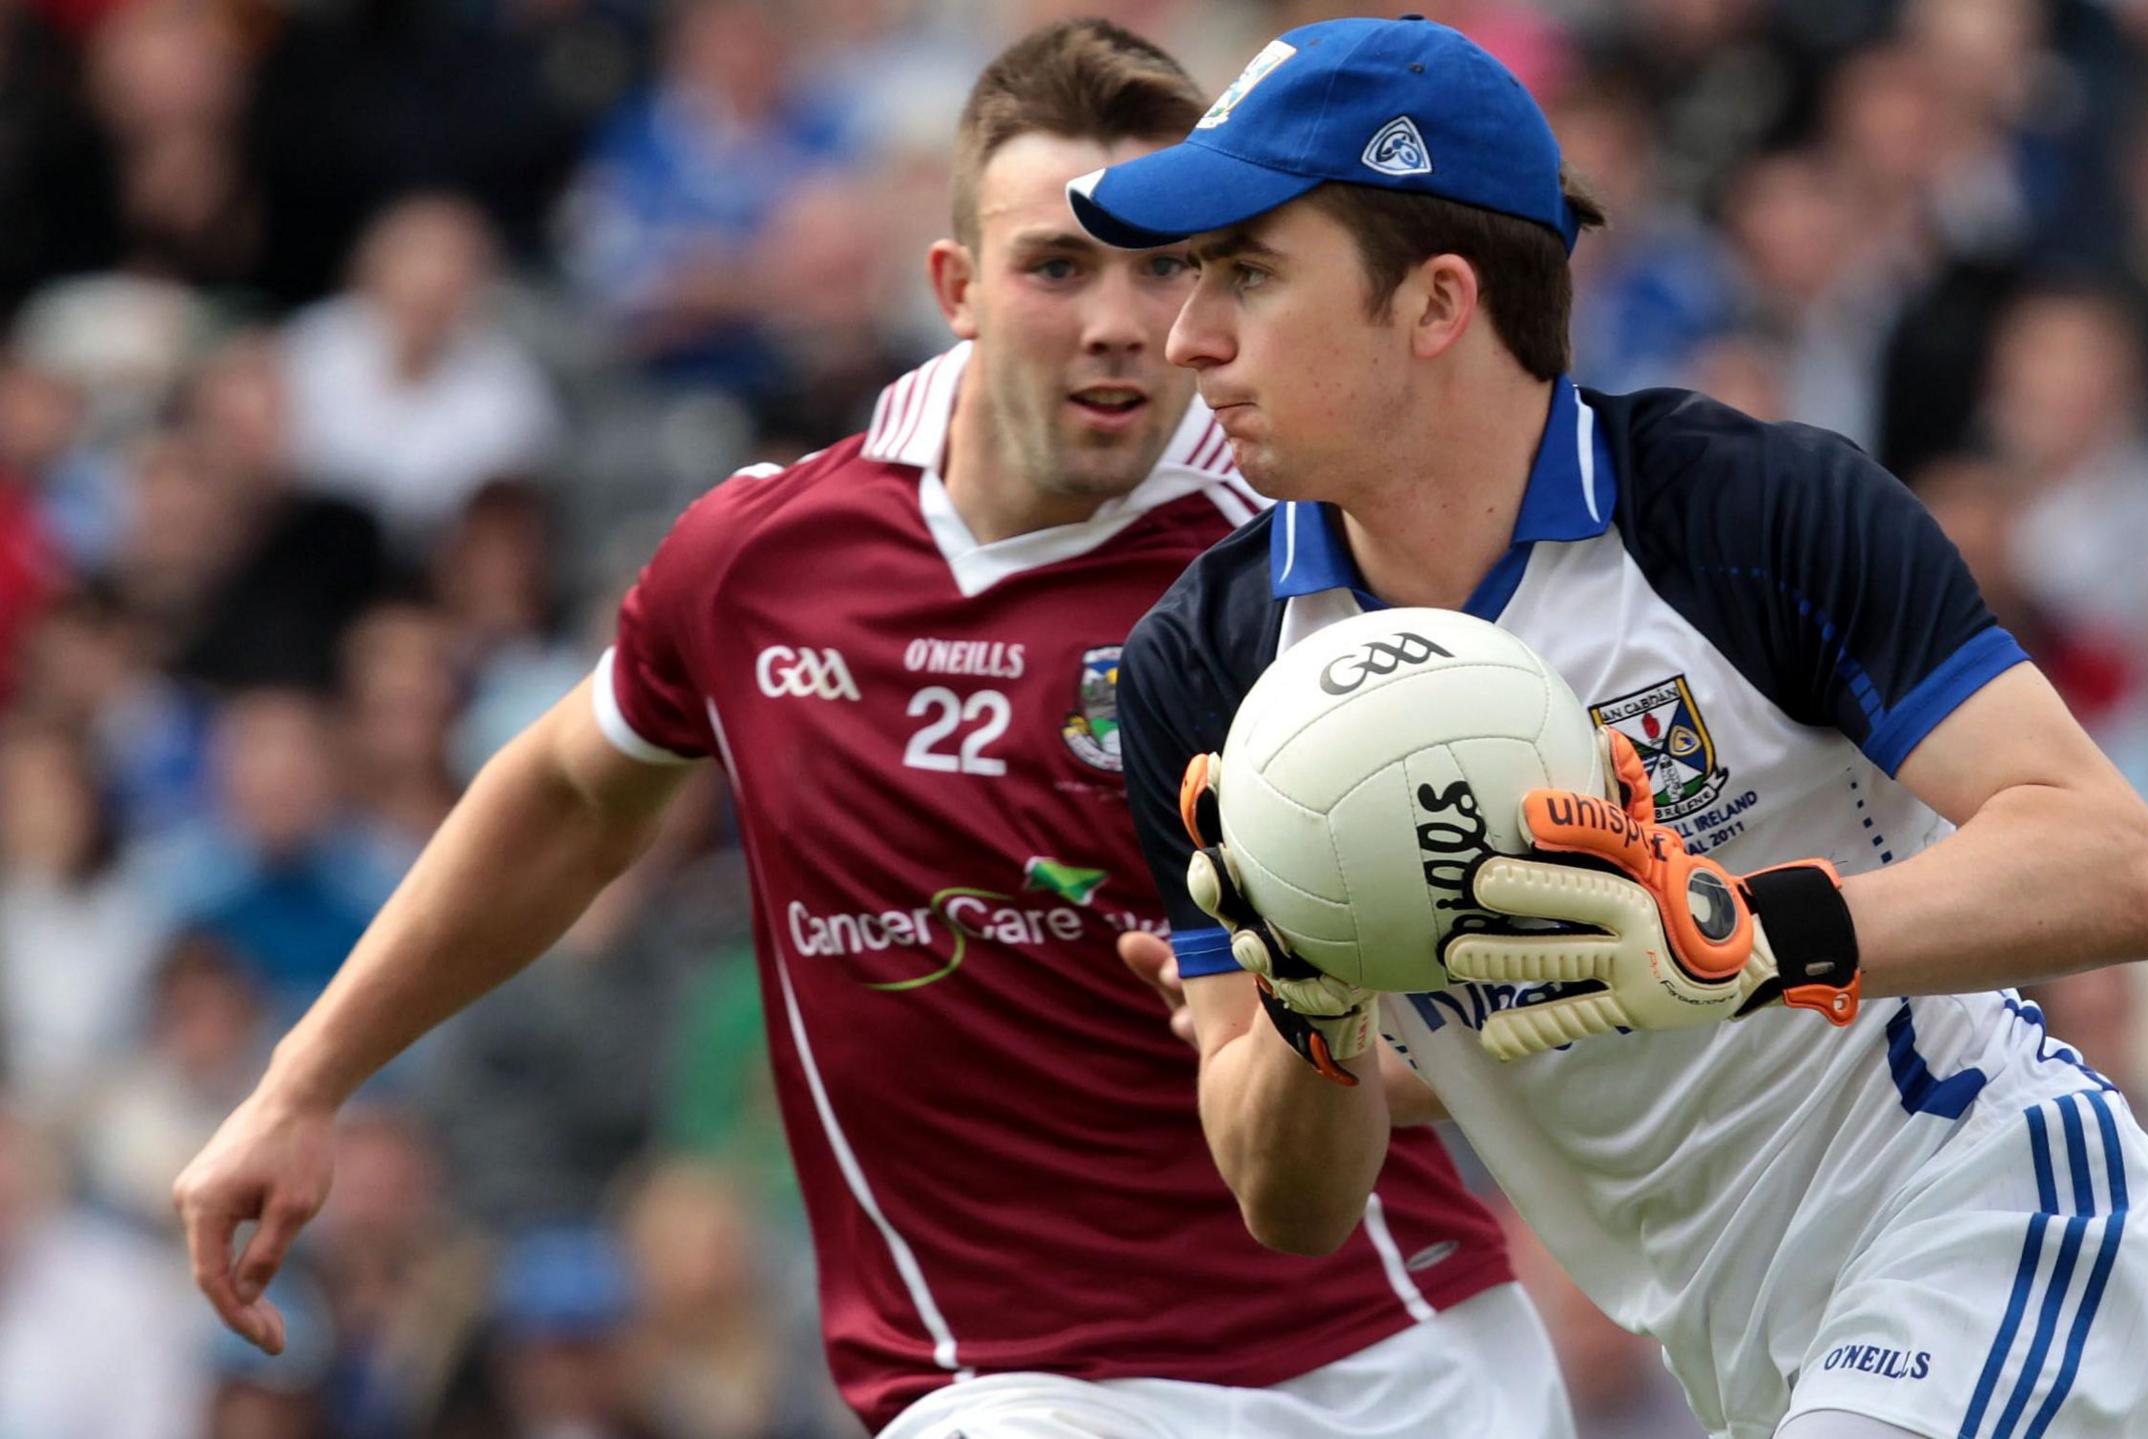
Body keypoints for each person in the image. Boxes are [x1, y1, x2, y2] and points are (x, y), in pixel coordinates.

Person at [172, 21, 1571, 1439]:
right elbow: (569, 799)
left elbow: (1526, 951)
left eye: (1164, 269)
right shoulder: (763, 562)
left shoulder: (1304, 569)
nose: (1116, 322)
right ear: (954, 286)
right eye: (1057, 267)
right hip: (1008, 1389)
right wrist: (305, 1083)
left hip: (1391, 1364)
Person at [1072, 16, 2148, 1439]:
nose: (1186, 334)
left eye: (1248, 274)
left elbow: (2118, 868)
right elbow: (1291, 1199)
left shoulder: (1742, 516)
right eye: (1194, 275)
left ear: (1439, 303)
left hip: (2006, 1237)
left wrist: (1745, 937)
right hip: (1757, 1364)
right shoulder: (1204, 679)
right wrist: (1313, 1012)